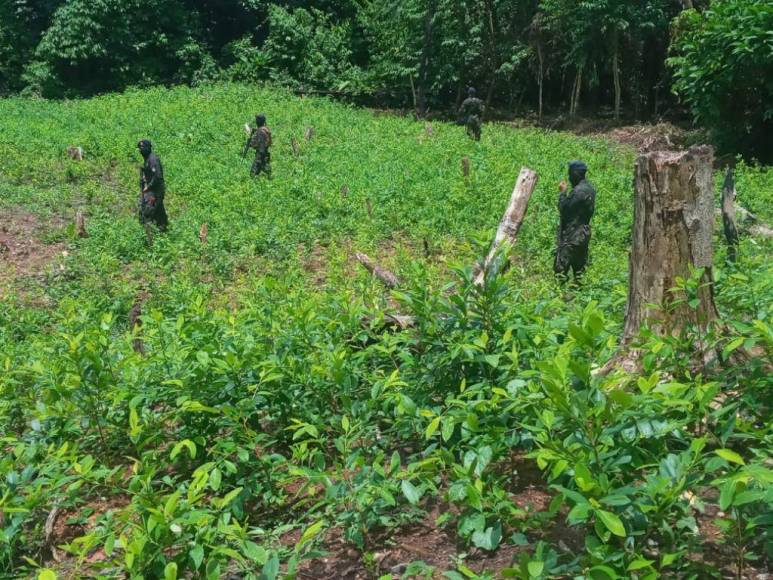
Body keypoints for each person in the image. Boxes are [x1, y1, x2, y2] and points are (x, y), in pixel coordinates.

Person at [554, 161, 596, 281]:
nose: (569, 177)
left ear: (575, 174)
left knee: (560, 271)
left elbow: (564, 209)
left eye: (570, 174)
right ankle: (577, 297)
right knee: (579, 272)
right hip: (584, 233)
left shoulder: (578, 192)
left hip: (572, 235)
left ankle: (560, 298)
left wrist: (562, 193)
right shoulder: (590, 189)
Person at [137, 140, 168, 232]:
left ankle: (149, 237)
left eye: (142, 147)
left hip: (155, 192)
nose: (140, 150)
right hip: (152, 191)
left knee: (147, 212)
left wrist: (148, 186)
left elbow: (158, 176)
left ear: (148, 147)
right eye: (139, 148)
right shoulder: (147, 159)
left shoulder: (153, 159)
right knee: (159, 213)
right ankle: (163, 230)